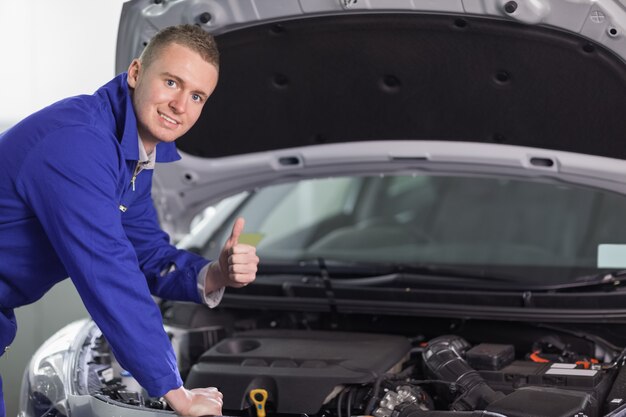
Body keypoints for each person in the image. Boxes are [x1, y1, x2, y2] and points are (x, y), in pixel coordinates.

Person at [0, 24, 259, 416]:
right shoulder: (78, 143)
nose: (180, 105)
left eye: (196, 96)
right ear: (136, 73)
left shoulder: (133, 156)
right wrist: (175, 391)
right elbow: (109, 272)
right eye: (171, 82)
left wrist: (214, 274)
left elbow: (147, 252)